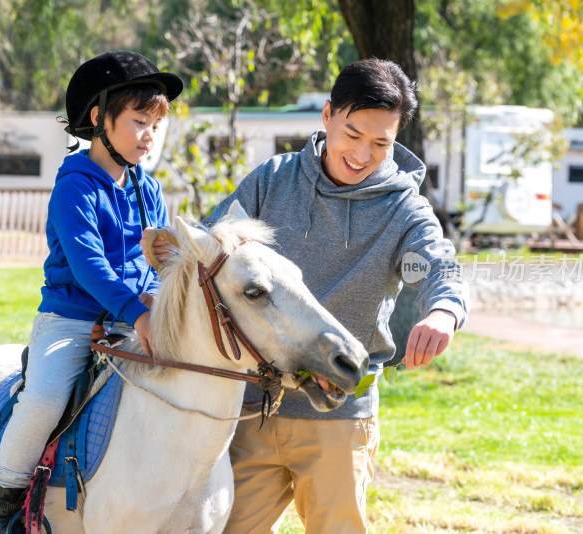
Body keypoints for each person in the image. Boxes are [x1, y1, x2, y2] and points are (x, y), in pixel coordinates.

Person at [178, 58, 469, 533]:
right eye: (352, 134)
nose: (363, 153)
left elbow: (437, 264)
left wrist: (443, 311)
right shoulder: (272, 179)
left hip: (341, 418)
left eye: (381, 143)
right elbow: (211, 245)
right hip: (255, 409)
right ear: (327, 115)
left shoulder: (405, 208)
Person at [0, 50, 183, 534]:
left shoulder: (149, 188)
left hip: (136, 315)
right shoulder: (75, 187)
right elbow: (88, 264)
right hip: (71, 319)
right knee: (46, 399)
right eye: (139, 121)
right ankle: (4, 506)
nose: (149, 135)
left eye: (156, 124)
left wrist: (160, 298)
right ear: (98, 118)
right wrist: (136, 311)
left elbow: (158, 259)